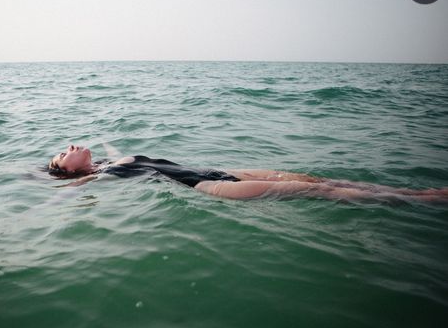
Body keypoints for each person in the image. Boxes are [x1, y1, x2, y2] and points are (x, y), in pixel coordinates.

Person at [47, 144, 448, 203]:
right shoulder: (93, 177)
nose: (69, 148)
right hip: (205, 185)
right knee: (316, 192)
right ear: (64, 171)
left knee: (309, 177)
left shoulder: (109, 160)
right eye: (62, 155)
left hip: (217, 169)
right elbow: (67, 197)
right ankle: (421, 199)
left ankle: (407, 190)